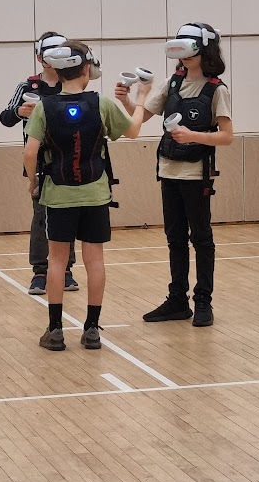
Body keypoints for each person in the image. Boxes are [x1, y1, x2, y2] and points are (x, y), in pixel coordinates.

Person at [24, 40, 149, 351]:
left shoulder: (44, 107)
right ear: (86, 69)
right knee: (95, 261)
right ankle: (92, 329)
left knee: (56, 260)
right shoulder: (101, 103)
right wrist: (142, 98)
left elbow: (30, 152)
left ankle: (55, 330)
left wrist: (33, 182)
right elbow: (133, 131)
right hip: (95, 194)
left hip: (58, 195)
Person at [116, 22, 233, 327]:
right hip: (168, 170)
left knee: (201, 238)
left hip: (196, 174)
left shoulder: (216, 89)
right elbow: (141, 115)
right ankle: (177, 300)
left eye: (189, 47)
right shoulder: (172, 83)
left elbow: (227, 136)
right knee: (175, 238)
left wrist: (193, 136)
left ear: (204, 50)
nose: (184, 54)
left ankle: (203, 301)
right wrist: (126, 99)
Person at [0, 32, 78, 295]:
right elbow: (5, 117)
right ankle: (40, 271)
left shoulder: (72, 84)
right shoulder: (27, 87)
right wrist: (19, 112)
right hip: (39, 162)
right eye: (49, 54)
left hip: (69, 160)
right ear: (39, 57)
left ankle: (66, 269)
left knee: (68, 215)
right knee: (41, 217)